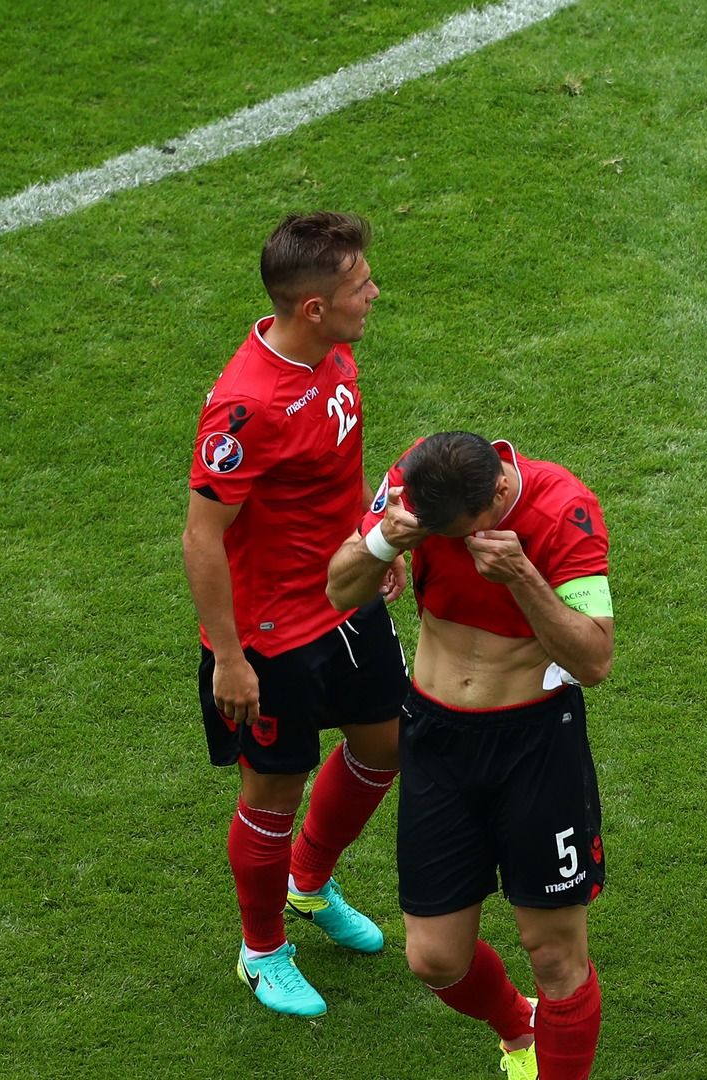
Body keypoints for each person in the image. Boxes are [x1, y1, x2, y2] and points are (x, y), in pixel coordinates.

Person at [326, 431, 613, 1080]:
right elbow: (339, 590)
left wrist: (522, 577)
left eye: (458, 533)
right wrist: (382, 543)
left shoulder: (564, 510)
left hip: (535, 749)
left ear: (499, 495)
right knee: (433, 959)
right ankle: (519, 1027)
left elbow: (594, 659)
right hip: (436, 742)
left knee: (555, 956)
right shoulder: (416, 481)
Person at [181, 211, 410, 1018]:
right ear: (313, 307)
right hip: (270, 639)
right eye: (359, 285)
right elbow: (203, 539)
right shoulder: (245, 409)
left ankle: (309, 882)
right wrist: (231, 659)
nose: (373, 293)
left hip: (343, 598)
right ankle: (262, 949)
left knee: (386, 745)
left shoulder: (333, 355)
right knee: (272, 791)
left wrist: (370, 546)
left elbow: (334, 474)